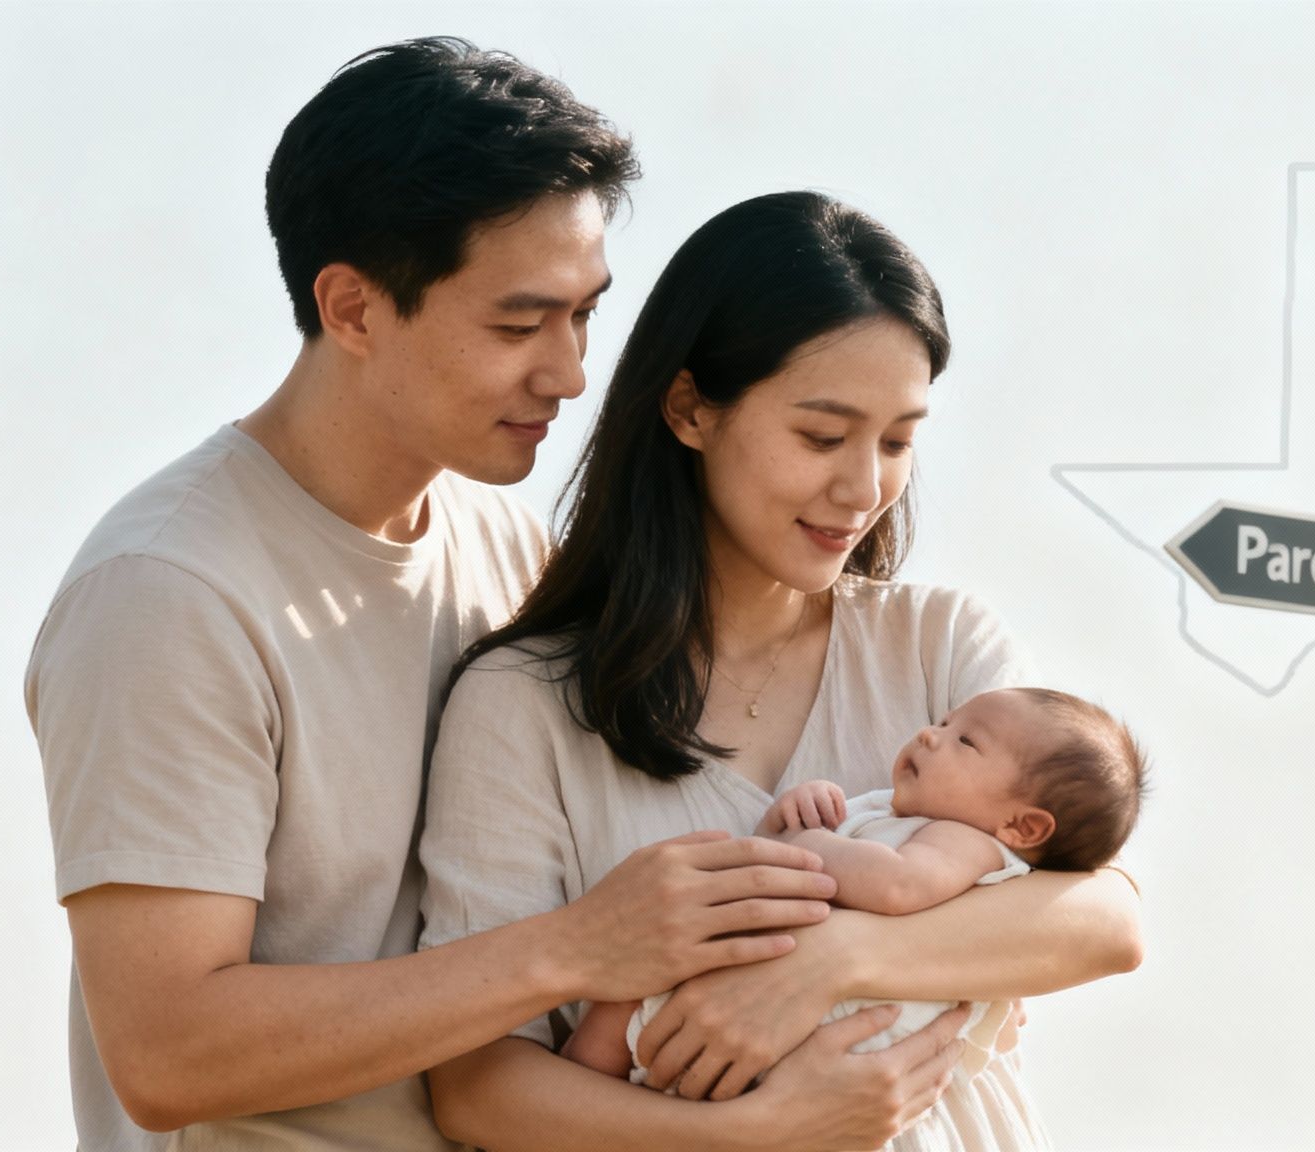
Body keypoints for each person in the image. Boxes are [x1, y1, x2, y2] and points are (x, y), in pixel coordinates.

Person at [23, 38, 843, 1150]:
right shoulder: (167, 595)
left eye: (583, 315)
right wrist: (574, 948)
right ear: (353, 309)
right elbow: (166, 1054)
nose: (566, 373)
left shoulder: (503, 549)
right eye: (517, 324)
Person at [418, 191, 1145, 1152]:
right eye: (821, 435)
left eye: (897, 441)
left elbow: (1103, 920)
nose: (863, 489)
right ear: (689, 408)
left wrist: (830, 962)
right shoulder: (525, 705)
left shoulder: (939, 647)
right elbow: (476, 1090)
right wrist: (767, 1132)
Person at [561, 685, 1148, 1132]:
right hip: (767, 995)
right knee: (625, 1001)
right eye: (943, 722)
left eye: (965, 742)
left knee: (628, 1008)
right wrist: (796, 816)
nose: (929, 735)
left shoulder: (968, 844)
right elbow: (775, 856)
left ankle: (580, 1086)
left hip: (829, 1021)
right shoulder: (892, 814)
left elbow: (896, 887)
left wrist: (813, 845)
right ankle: (571, 1093)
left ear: (1021, 824)